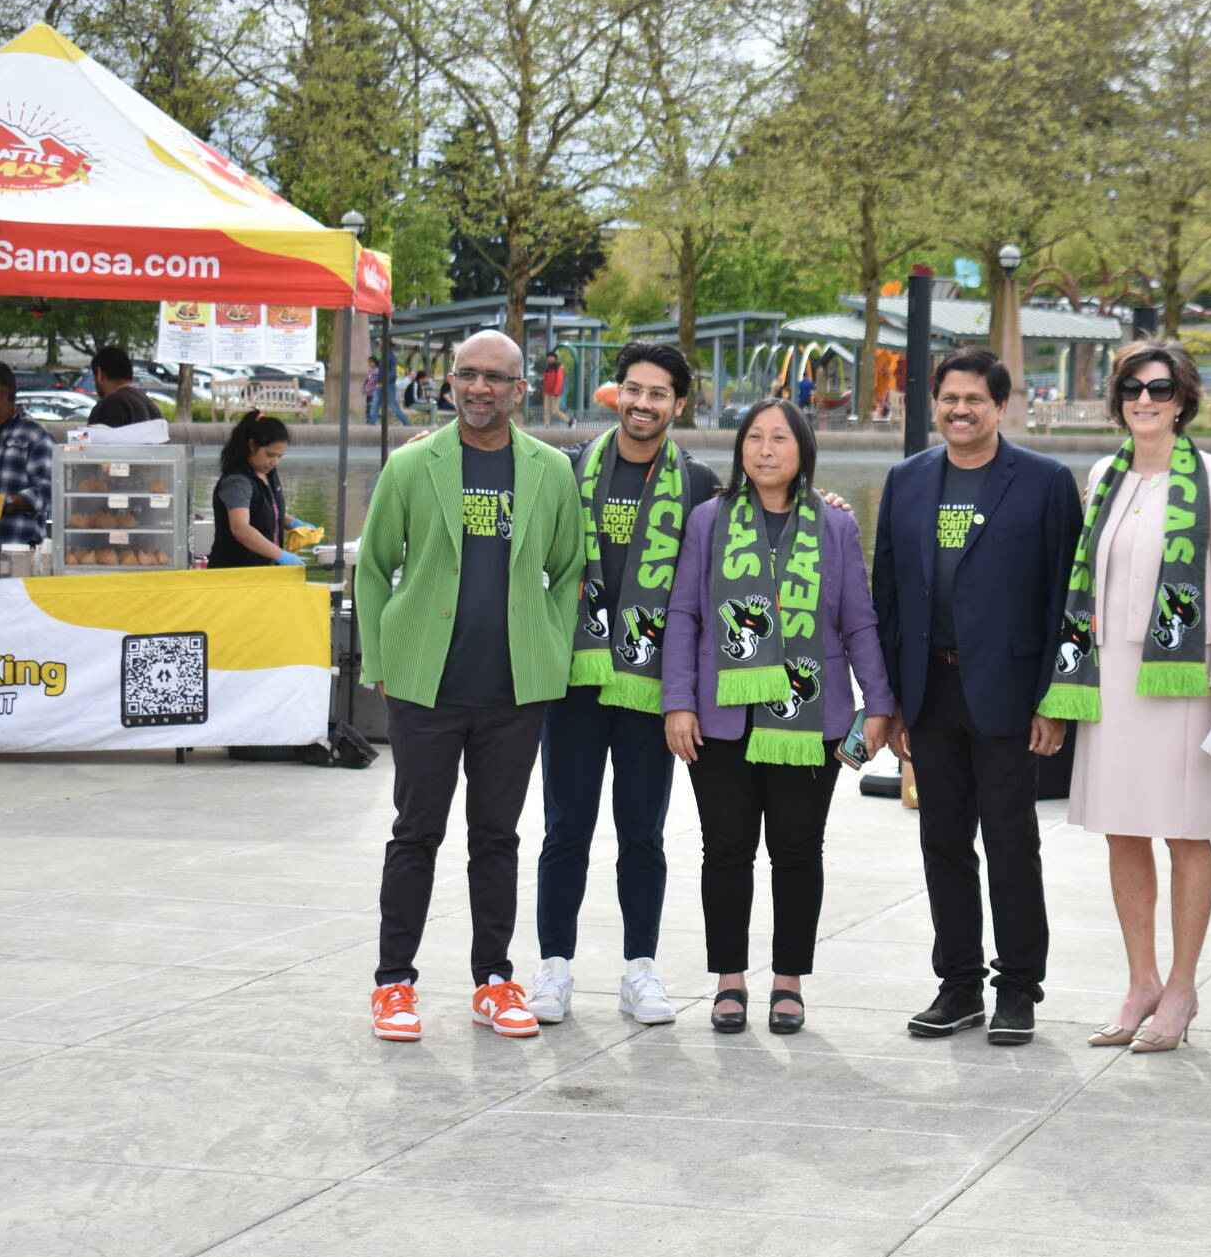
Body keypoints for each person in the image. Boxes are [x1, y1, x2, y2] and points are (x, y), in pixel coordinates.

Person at [355, 329, 584, 1043]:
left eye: (496, 378)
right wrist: (380, 661)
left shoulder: (549, 470)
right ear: (449, 382)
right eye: (467, 375)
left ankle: (494, 978)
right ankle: (393, 984)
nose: (480, 387)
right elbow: (373, 567)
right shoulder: (412, 466)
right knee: (415, 833)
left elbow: (570, 568)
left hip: (514, 690)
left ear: (521, 390)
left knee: (496, 837)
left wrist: (546, 639)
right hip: (425, 685)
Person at [1039, 341, 1211, 1054]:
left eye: (1159, 387)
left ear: (1183, 397)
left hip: (1184, 676)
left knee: (1186, 830)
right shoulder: (1104, 474)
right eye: (1132, 386)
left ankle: (1184, 986)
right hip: (1112, 676)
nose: (1145, 399)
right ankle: (1141, 981)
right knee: (1122, 827)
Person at [665, 400, 893, 1034]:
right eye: (754, 438)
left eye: (780, 440)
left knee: (797, 851)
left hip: (811, 717)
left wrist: (879, 704)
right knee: (726, 851)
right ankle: (729, 980)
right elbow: (683, 615)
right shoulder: (709, 520)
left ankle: (788, 980)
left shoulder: (836, 526)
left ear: (803, 452)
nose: (766, 450)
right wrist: (678, 701)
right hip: (722, 719)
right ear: (740, 449)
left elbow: (858, 622)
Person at [873, 347, 1080, 1046]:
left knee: (1012, 844)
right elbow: (889, 595)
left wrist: (1056, 698)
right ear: (932, 403)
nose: (960, 410)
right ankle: (957, 984)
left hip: (1011, 694)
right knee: (942, 843)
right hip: (931, 687)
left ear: (1001, 406)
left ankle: (1018, 986)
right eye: (949, 398)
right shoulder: (906, 481)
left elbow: (1066, 599)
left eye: (975, 399)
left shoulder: (1045, 482)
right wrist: (894, 699)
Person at [520, 343, 720, 1028]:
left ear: (679, 404)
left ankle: (641, 967)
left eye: (658, 393)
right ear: (617, 394)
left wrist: (829, 504)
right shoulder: (568, 467)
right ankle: (554, 967)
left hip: (648, 687)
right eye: (632, 389)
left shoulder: (698, 484)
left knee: (643, 833)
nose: (643, 403)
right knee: (564, 829)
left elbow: (756, 536)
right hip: (574, 680)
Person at [207, 411, 316, 568]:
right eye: (270, 455)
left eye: (280, 456)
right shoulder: (237, 481)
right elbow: (240, 528)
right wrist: (281, 555)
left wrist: (294, 523)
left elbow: (268, 509)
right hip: (235, 572)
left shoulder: (267, 473)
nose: (275, 462)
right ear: (252, 445)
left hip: (264, 569)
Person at [0, 360, 54, 578]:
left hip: (15, 552)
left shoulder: (34, 434)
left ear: (3, 393)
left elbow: (48, 491)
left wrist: (3, 503)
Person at [86, 346, 161, 428]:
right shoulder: (151, 406)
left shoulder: (109, 405)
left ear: (100, 374)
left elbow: (95, 438)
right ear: (130, 374)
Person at [365, 354, 409, 425]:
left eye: (371, 362)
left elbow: (392, 374)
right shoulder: (380, 361)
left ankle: (407, 423)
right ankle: (371, 424)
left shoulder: (391, 357)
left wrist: (384, 382)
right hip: (379, 386)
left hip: (387, 385)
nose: (370, 364)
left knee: (393, 406)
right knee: (374, 406)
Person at [542, 353, 570, 427]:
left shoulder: (559, 367)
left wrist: (556, 391)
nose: (550, 359)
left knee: (555, 410)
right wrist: (544, 391)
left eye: (551, 357)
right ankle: (547, 424)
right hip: (548, 392)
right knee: (546, 409)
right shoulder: (547, 368)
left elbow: (560, 380)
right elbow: (545, 381)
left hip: (555, 393)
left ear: (555, 358)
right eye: (548, 357)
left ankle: (570, 421)